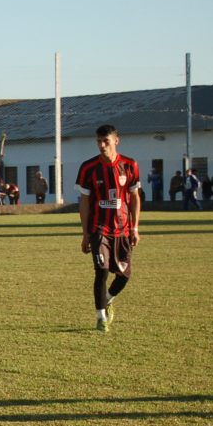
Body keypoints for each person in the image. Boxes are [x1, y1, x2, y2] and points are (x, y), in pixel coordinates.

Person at [77, 124, 141, 333]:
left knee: (124, 276)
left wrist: (135, 228)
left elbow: (134, 198)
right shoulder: (88, 168)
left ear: (116, 141)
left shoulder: (130, 165)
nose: (102, 145)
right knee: (101, 271)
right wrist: (86, 233)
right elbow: (84, 202)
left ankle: (107, 299)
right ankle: (100, 318)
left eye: (106, 141)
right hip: (99, 229)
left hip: (123, 230)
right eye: (99, 141)